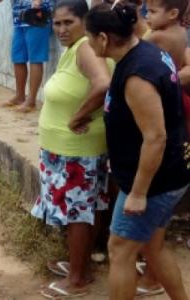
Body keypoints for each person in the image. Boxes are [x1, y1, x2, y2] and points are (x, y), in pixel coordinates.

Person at [86, 3, 190, 299]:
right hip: (169, 172)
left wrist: (139, 192)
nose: (89, 43)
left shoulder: (136, 75)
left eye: (91, 37)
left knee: (119, 249)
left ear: (104, 39)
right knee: (152, 246)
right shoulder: (144, 52)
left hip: (154, 181)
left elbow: (155, 137)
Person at [29, 0, 112, 298]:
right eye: (57, 23)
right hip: (67, 149)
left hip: (76, 150)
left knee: (78, 213)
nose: (62, 30)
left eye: (69, 23)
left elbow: (104, 84)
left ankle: (78, 279)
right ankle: (79, 265)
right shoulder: (75, 49)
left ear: (84, 21)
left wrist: (78, 116)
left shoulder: (85, 48)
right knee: (84, 210)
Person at [2, 0, 52, 113]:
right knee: (18, 58)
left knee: (35, 59)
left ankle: (31, 100)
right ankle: (20, 96)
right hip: (19, 18)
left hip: (37, 16)